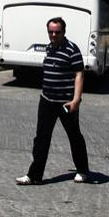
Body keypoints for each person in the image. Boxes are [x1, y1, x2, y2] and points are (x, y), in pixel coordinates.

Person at [15, 17, 90, 185]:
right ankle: (34, 176)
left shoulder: (72, 49)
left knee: (74, 136)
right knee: (41, 137)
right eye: (51, 32)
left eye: (57, 32)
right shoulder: (49, 47)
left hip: (65, 103)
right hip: (47, 100)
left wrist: (77, 99)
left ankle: (83, 170)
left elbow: (79, 74)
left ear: (64, 32)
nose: (53, 35)